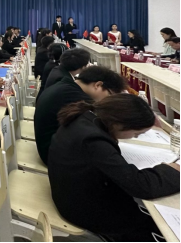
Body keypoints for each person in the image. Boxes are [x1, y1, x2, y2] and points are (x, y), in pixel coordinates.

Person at [49, 95, 180, 242]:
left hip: (71, 197)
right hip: (84, 210)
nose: (136, 137)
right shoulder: (94, 140)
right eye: (136, 133)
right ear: (119, 124)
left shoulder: (84, 118)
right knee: (153, 226)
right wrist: (173, 170)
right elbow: (141, 186)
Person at [34, 65, 127, 165]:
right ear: (98, 85)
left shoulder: (65, 86)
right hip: (53, 156)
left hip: (49, 147)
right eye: (110, 95)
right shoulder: (77, 98)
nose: (109, 100)